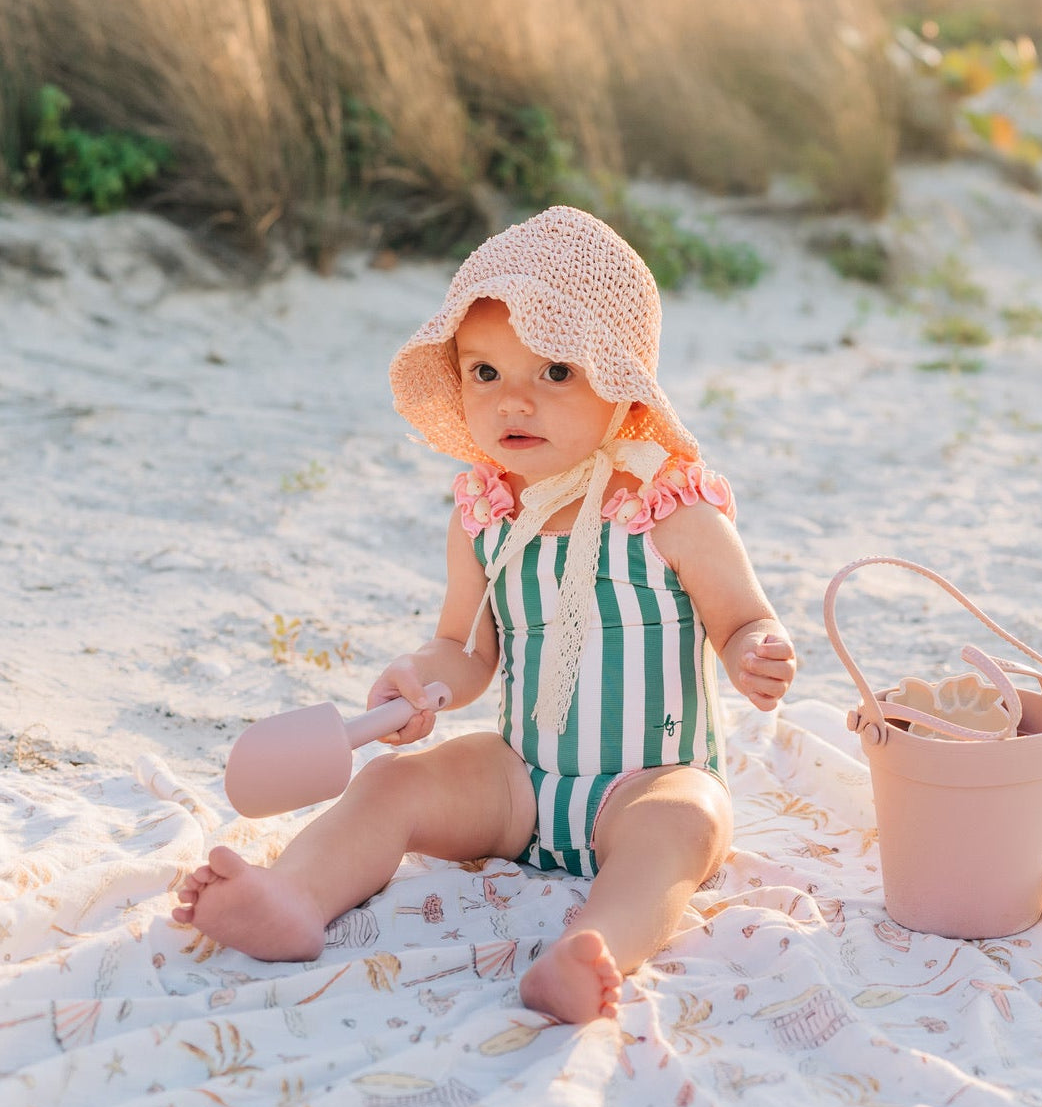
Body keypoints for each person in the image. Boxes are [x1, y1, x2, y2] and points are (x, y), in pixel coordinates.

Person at [173, 206, 796, 1023]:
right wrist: (420, 681)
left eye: (556, 373)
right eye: (486, 374)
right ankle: (293, 897)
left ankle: (591, 950)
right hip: (519, 783)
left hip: (648, 778)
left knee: (687, 824)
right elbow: (464, 651)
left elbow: (738, 618)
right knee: (392, 783)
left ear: (621, 381)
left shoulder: (670, 505)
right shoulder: (484, 515)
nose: (516, 403)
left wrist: (755, 648)